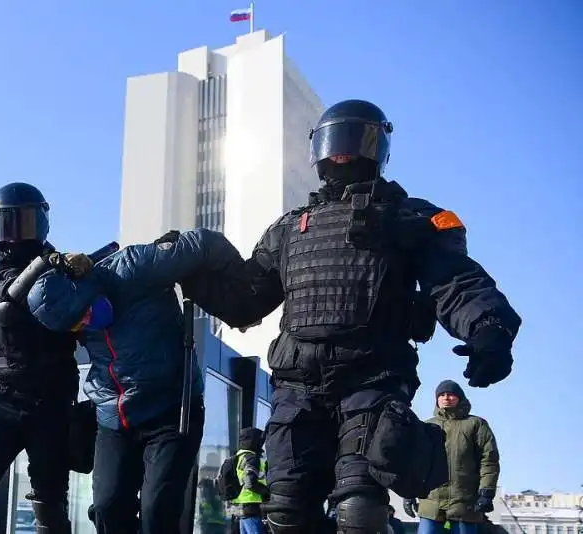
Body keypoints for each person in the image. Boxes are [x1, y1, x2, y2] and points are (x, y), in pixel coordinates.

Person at [181, 99, 522, 534]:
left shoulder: (409, 217)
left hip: (371, 379)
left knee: (359, 508)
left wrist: (489, 327)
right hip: (296, 386)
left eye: (353, 139)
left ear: (376, 147)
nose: (341, 151)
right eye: (333, 140)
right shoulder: (288, 228)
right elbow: (246, 300)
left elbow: (456, 282)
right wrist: (191, 274)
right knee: (285, 511)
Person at [26, 228, 252, 534]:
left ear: (84, 290)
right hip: (114, 418)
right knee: (107, 508)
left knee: (157, 510)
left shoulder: (133, 268)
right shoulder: (69, 314)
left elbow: (204, 244)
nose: (86, 324)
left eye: (86, 315)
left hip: (172, 410)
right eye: (78, 326)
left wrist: (245, 298)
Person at [0, 182, 88, 534]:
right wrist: (46, 265)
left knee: (50, 512)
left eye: (21, 223)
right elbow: (2, 306)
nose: (12, 236)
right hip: (0, 400)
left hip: (53, 406)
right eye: (5, 224)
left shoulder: (65, 272)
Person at [403, 380, 500, 534]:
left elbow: (489, 461)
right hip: (431, 502)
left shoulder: (475, 424)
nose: (446, 398)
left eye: (451, 394)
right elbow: (416, 463)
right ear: (437, 400)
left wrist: (486, 492)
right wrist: (408, 493)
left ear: (460, 398)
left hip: (464, 503)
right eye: (442, 395)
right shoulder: (427, 426)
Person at [232, 427, 270, 534]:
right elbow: (250, 483)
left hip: (240, 507)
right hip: (252, 507)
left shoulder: (238, 457)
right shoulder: (252, 458)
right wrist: (267, 492)